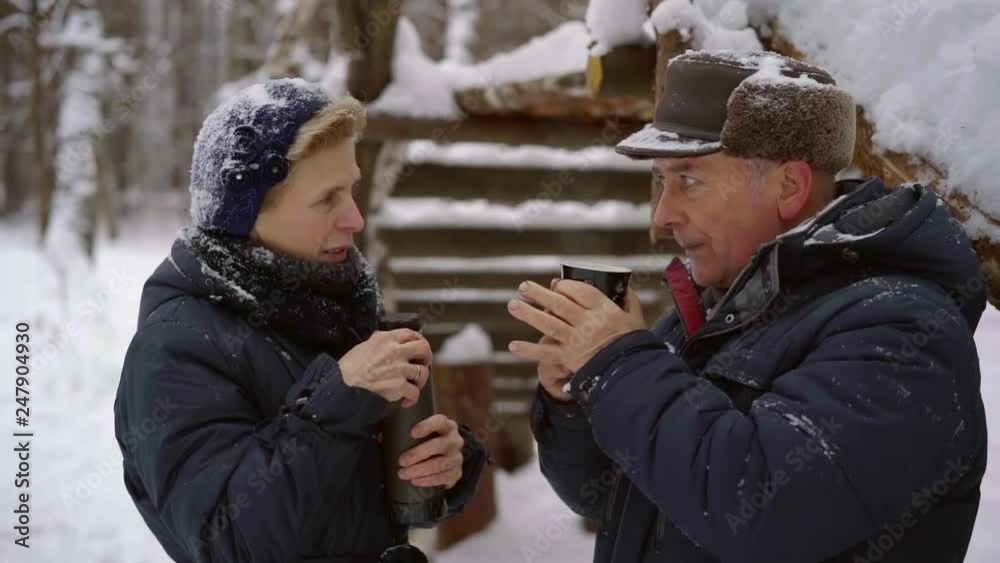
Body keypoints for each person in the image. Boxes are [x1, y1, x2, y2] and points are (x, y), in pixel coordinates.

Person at [508, 50, 987, 562]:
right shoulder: (712, 315)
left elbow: (765, 511)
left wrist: (619, 365)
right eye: (661, 181)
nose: (662, 215)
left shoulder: (903, 329)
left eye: (688, 179)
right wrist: (578, 396)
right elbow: (611, 495)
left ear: (788, 186)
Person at [113, 78, 486, 563]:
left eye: (351, 190)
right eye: (326, 198)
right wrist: (339, 398)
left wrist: (446, 465)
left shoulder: (332, 304)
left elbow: (357, 503)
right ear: (243, 215)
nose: (355, 217)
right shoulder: (177, 346)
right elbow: (227, 542)